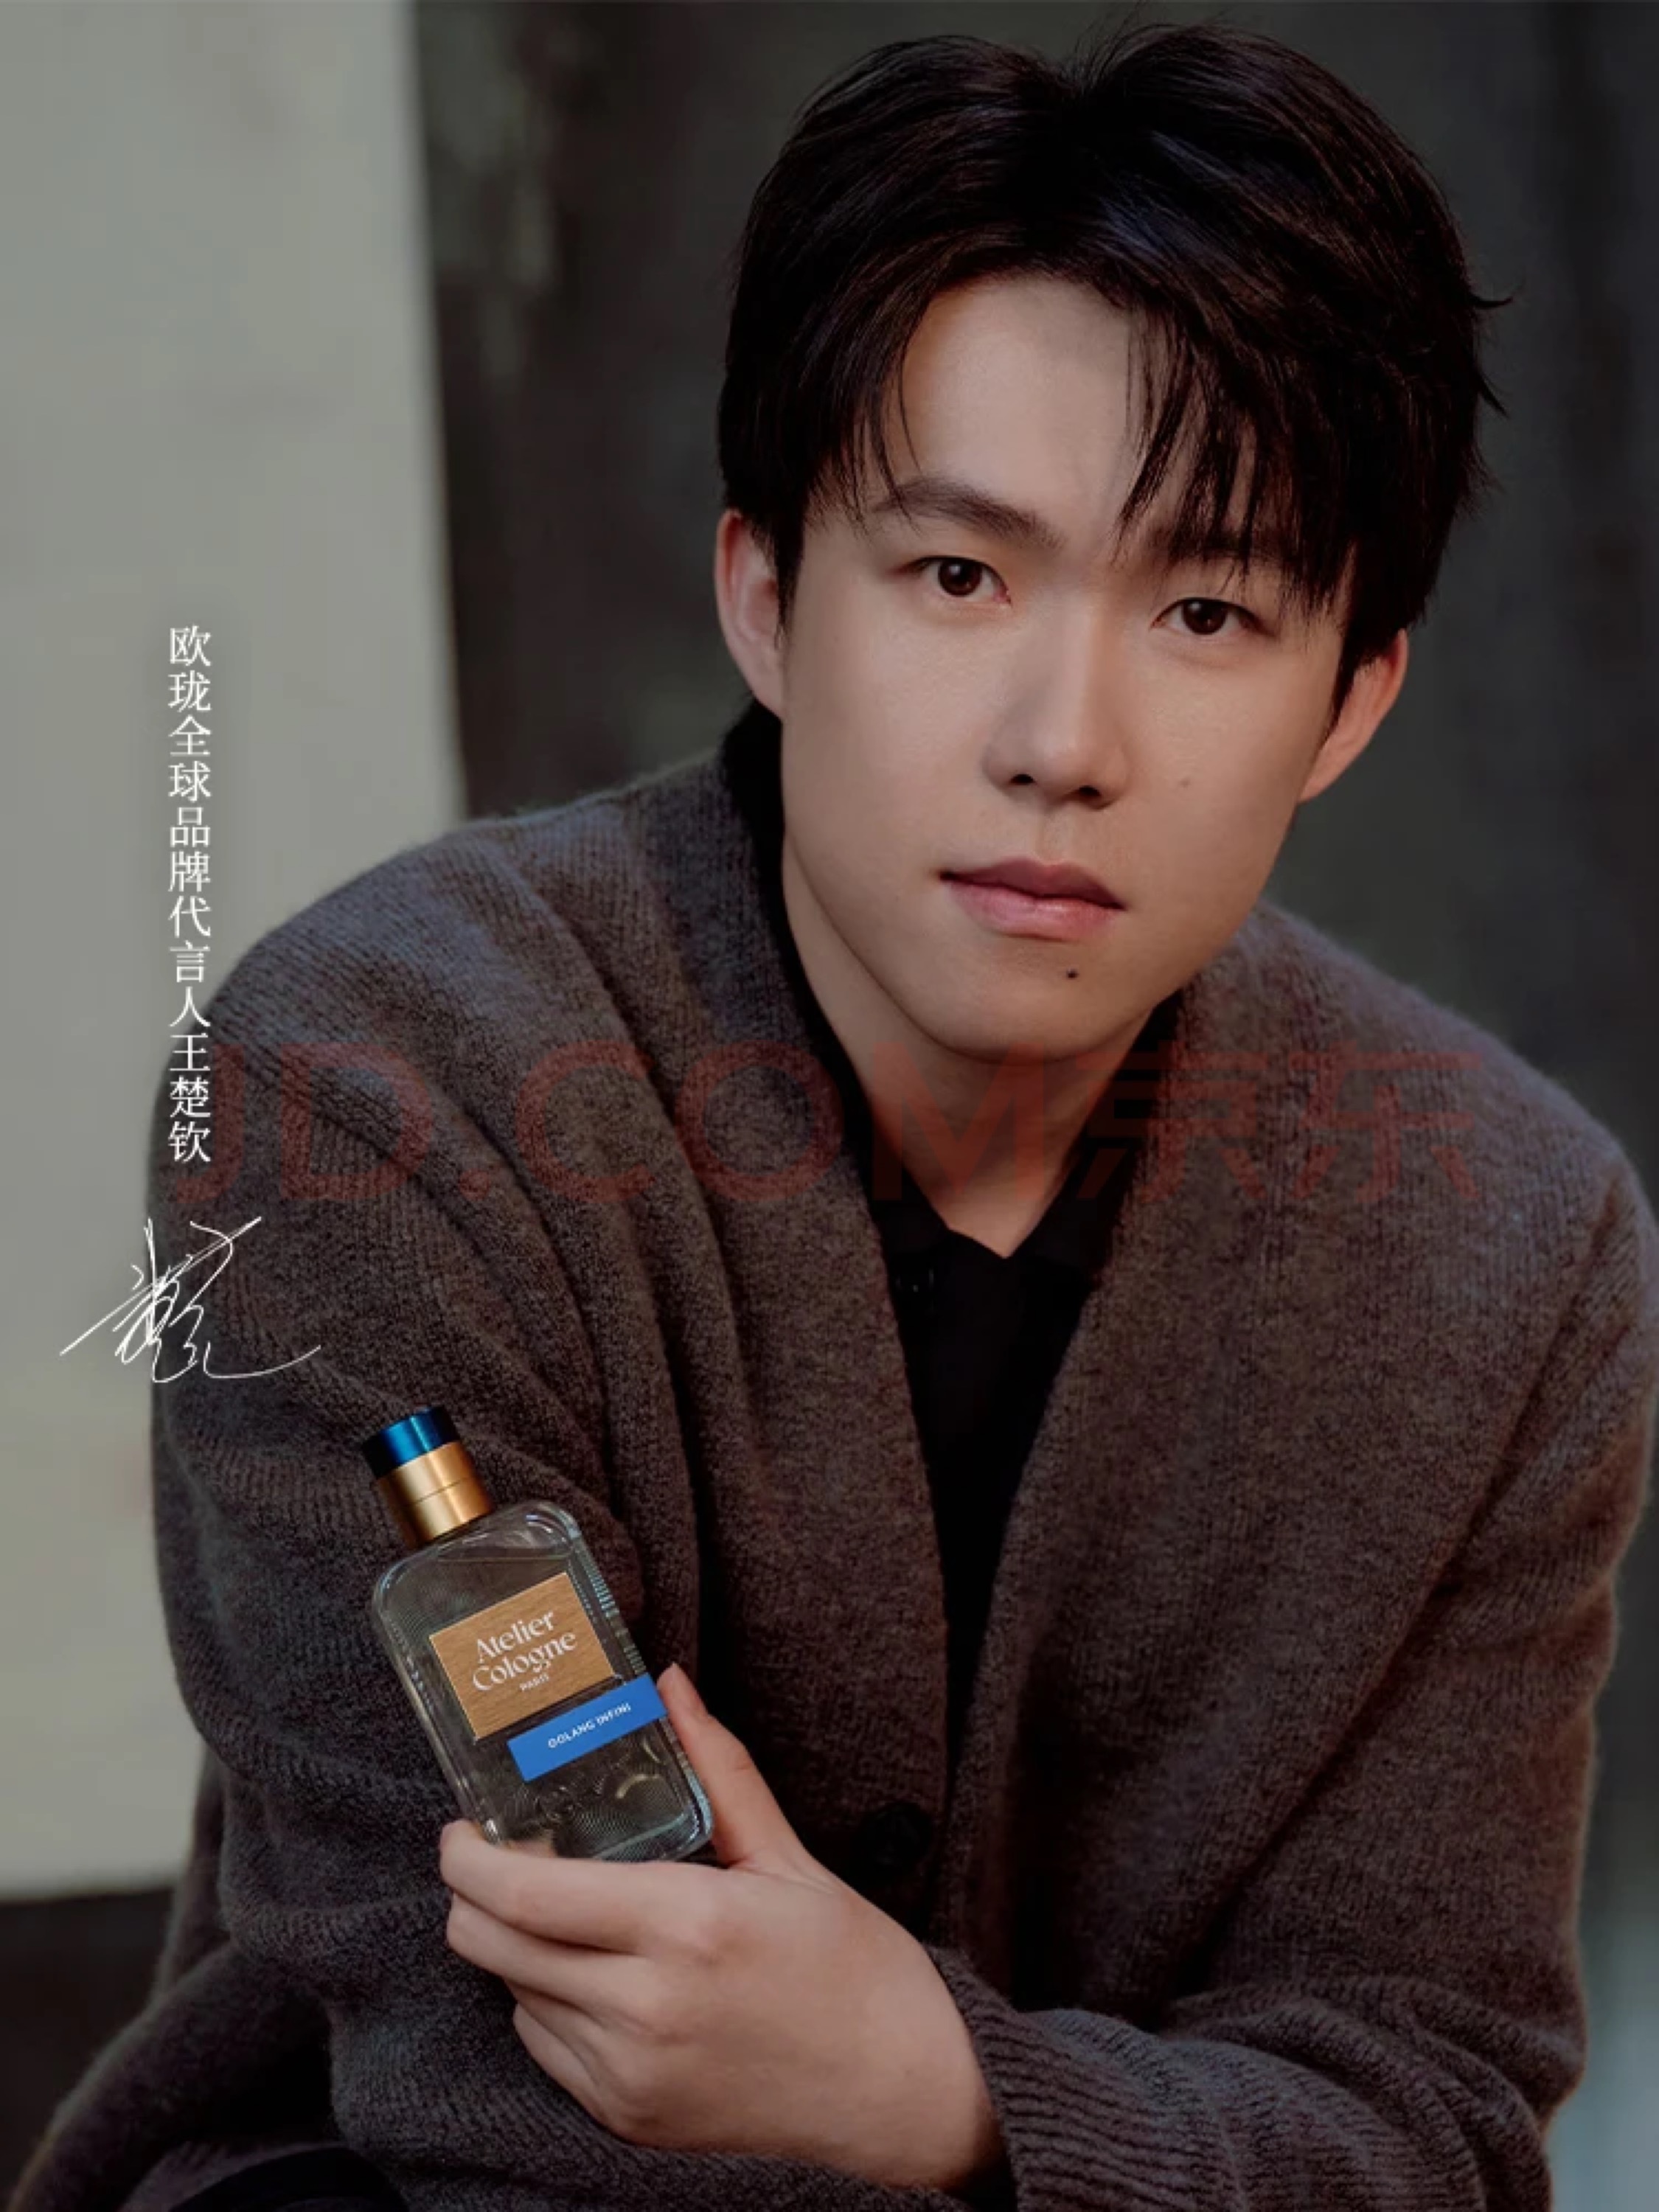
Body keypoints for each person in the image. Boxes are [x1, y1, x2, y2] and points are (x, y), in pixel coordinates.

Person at [15, 19, 1659, 2212]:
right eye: (959, 576)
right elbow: (488, 2080)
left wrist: (940, 2096)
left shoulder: (1510, 1256)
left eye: (1205, 608)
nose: (1061, 741)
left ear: (1350, 699)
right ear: (768, 599)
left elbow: (1431, 2119)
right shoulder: (368, 1095)